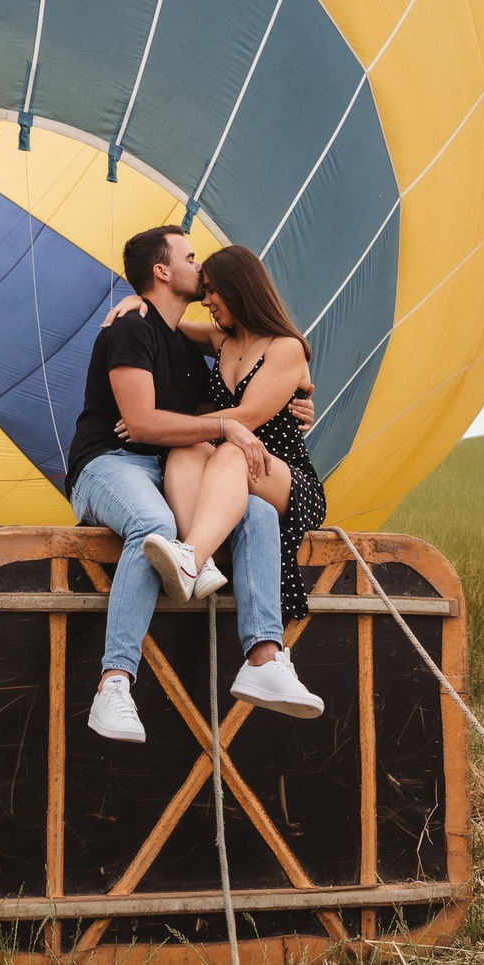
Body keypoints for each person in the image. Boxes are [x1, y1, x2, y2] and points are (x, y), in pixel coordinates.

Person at [66, 225, 323, 744]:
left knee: (259, 513)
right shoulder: (136, 328)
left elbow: (244, 412)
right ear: (162, 272)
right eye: (190, 262)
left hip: (247, 469)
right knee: (154, 517)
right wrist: (126, 303)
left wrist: (294, 403)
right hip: (111, 463)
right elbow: (141, 423)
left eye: (213, 287)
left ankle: (264, 657)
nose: (204, 285)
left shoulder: (195, 346)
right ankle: (114, 681)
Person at [109, 244, 330, 628]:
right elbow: (165, 321)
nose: (206, 300)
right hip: (235, 468)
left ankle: (189, 559)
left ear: (240, 288)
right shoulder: (221, 341)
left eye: (213, 290)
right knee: (189, 445)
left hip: (286, 480)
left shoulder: (287, 348)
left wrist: (158, 422)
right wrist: (138, 301)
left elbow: (245, 417)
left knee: (230, 449)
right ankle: (203, 562)